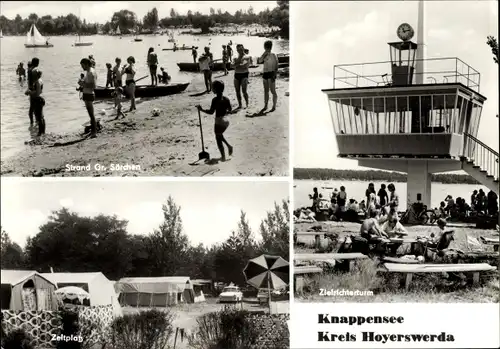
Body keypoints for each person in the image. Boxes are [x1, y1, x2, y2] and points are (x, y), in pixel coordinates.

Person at [196, 80, 233, 162]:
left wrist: (201, 109)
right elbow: (230, 109)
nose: (212, 89)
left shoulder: (215, 100)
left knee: (218, 139)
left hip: (219, 121)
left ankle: (223, 157)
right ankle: (229, 146)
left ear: (216, 89)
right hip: (226, 120)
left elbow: (211, 112)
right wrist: (224, 111)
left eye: (213, 87)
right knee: (220, 135)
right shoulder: (226, 99)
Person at [257, 40, 278, 113]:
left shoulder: (273, 55)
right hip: (265, 73)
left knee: (272, 91)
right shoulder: (265, 55)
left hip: (271, 73)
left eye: (267, 47)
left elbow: (276, 66)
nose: (266, 48)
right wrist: (264, 54)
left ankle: (274, 106)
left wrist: (274, 75)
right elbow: (259, 61)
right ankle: (266, 105)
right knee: (266, 91)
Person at [80, 58, 97, 138]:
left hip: (89, 94)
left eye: (82, 65)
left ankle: (94, 132)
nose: (82, 67)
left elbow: (93, 86)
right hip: (88, 93)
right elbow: (90, 83)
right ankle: (93, 130)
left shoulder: (90, 72)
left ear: (86, 64)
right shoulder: (91, 70)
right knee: (91, 114)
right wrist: (83, 83)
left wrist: (83, 84)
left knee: (91, 114)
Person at [25, 69, 45, 136]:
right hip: (41, 99)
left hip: (37, 99)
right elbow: (40, 90)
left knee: (38, 117)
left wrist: (29, 92)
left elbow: (36, 92)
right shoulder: (40, 81)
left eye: (33, 75)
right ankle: (43, 132)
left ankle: (40, 133)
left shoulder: (36, 82)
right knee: (41, 116)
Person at [233, 44, 250, 110]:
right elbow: (231, 66)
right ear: (237, 50)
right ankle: (240, 104)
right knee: (237, 91)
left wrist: (236, 64)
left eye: (240, 49)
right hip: (236, 75)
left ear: (243, 49)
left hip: (244, 75)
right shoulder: (235, 57)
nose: (239, 51)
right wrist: (238, 64)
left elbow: (243, 66)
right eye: (238, 50)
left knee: (244, 91)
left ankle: (247, 103)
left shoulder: (246, 56)